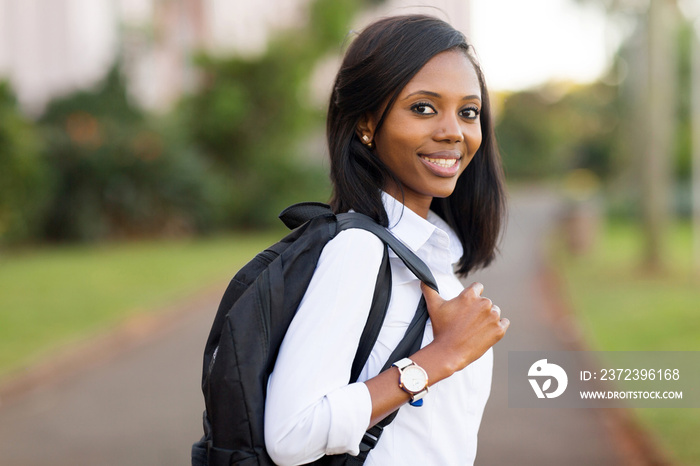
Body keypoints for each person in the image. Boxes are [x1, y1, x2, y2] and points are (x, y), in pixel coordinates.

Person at [264, 14, 509, 466]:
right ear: (366, 124)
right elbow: (291, 433)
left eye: (468, 112)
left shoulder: (431, 255)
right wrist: (442, 356)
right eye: (423, 107)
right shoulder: (358, 251)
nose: (453, 131)